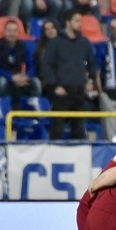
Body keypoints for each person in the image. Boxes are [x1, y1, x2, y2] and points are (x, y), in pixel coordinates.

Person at [40, 9, 99, 140]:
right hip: (61, 93)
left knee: (79, 130)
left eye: (80, 21)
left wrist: (90, 82)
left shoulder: (84, 42)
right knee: (57, 129)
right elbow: (46, 66)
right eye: (77, 21)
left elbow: (93, 65)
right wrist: (55, 86)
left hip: (79, 92)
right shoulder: (55, 42)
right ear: (68, 22)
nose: (80, 24)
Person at [0, 18, 41, 102]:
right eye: (9, 30)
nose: (12, 34)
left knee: (36, 82)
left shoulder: (23, 46)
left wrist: (26, 77)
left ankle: (34, 110)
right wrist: (11, 77)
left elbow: (31, 65)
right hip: (1, 76)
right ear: (4, 32)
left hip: (19, 77)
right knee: (2, 82)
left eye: (15, 31)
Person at [33, 18, 59, 90]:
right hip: (48, 81)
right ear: (44, 33)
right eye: (47, 29)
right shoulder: (41, 48)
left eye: (52, 28)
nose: (50, 31)